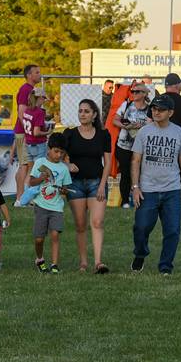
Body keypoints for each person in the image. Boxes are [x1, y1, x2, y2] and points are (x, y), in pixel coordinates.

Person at [130, 94, 181, 275]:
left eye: (161, 109)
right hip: (147, 189)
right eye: (154, 109)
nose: (156, 112)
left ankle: (165, 265)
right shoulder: (144, 132)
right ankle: (140, 254)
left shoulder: (178, 132)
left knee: (172, 230)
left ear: (170, 112)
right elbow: (135, 161)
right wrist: (135, 187)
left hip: (172, 189)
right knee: (141, 227)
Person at [64, 99, 112, 274]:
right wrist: (67, 165)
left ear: (94, 114)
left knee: (97, 221)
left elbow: (107, 162)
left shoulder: (103, 135)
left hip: (96, 183)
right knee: (80, 224)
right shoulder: (69, 134)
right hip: (75, 183)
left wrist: (102, 185)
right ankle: (83, 262)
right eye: (80, 111)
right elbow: (58, 154)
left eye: (86, 111)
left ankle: (98, 262)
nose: (82, 114)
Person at [29, 132, 71, 275]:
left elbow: (66, 190)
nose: (58, 155)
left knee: (55, 235)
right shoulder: (40, 163)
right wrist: (41, 178)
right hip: (41, 206)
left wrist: (64, 191)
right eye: (56, 151)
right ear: (49, 149)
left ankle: (54, 264)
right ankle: (40, 259)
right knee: (39, 238)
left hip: (56, 207)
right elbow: (31, 182)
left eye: (61, 152)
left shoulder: (64, 168)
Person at [112, 82, 151, 209]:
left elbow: (153, 125)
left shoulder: (150, 108)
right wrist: (124, 125)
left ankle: (139, 198)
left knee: (141, 173)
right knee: (125, 173)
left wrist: (142, 126)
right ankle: (125, 201)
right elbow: (115, 120)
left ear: (144, 94)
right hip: (124, 145)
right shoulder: (126, 104)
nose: (134, 93)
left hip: (141, 147)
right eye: (133, 91)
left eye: (137, 91)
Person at [13, 64, 41, 207]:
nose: (40, 74)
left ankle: (25, 196)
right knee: (24, 165)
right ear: (29, 75)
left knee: (28, 165)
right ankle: (19, 199)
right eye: (37, 72)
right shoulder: (26, 90)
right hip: (23, 132)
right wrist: (29, 131)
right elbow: (22, 112)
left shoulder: (33, 90)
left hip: (25, 133)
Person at [22, 87, 50, 180]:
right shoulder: (39, 112)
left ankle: (26, 191)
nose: (44, 101)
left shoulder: (27, 110)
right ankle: (36, 192)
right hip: (38, 145)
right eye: (44, 98)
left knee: (30, 171)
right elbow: (36, 132)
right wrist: (48, 132)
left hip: (28, 144)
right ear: (40, 98)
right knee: (39, 172)